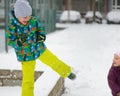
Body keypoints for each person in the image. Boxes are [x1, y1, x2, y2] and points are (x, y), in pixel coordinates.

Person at [6, 0, 76, 96]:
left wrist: (41, 37)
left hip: (39, 48)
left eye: (28, 16)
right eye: (24, 17)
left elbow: (41, 30)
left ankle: (67, 72)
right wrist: (18, 41)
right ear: (17, 15)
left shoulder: (33, 21)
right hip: (26, 56)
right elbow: (10, 40)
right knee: (28, 80)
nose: (27, 19)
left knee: (53, 61)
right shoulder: (12, 26)